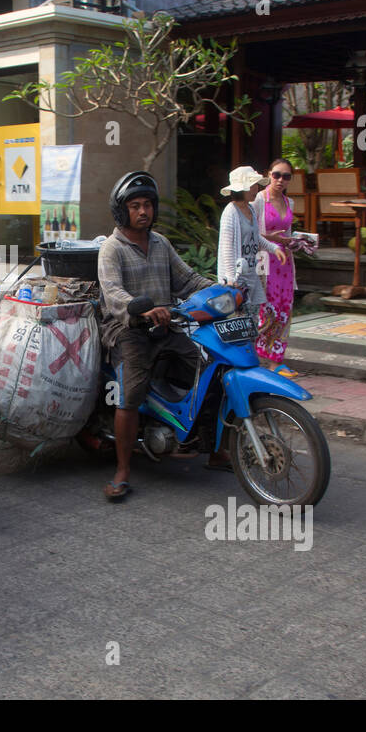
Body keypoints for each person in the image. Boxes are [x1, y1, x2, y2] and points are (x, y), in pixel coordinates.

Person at [97, 171, 213, 502]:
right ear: (123, 211)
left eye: (147, 205)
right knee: (130, 393)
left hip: (166, 326)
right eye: (135, 206)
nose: (143, 211)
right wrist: (140, 309)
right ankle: (122, 470)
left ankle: (215, 449)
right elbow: (114, 293)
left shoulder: (160, 243)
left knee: (206, 367)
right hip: (127, 330)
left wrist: (223, 289)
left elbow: (188, 280)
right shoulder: (111, 248)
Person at [218, 166, 286, 326]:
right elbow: (226, 247)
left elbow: (256, 238)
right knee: (238, 323)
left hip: (251, 275)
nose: (256, 189)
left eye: (256, 185)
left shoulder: (250, 209)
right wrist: (230, 277)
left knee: (252, 322)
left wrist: (274, 248)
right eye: (252, 185)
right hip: (236, 279)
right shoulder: (231, 212)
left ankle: (252, 350)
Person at [252, 158, 299, 377]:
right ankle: (261, 356)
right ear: (268, 174)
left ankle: (277, 359)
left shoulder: (290, 203)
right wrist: (272, 238)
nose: (280, 180)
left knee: (284, 309)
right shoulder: (260, 200)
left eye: (286, 176)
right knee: (267, 309)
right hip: (265, 259)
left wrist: (297, 242)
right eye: (277, 175)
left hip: (285, 261)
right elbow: (251, 233)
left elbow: (287, 234)